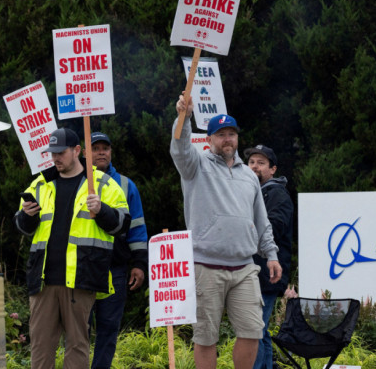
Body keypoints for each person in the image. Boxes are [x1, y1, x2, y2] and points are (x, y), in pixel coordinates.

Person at [170, 94, 282, 369]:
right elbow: (181, 149)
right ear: (209, 140)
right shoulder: (195, 166)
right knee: (206, 337)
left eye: (231, 134)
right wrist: (184, 117)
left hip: (244, 267)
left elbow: (260, 219)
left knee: (253, 331)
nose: (227, 139)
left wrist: (271, 253)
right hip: (205, 265)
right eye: (221, 134)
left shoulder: (249, 176)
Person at [13, 128, 131, 369]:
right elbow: (22, 227)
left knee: (77, 347)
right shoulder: (39, 184)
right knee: (40, 348)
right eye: (52, 153)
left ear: (77, 151)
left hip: (81, 279)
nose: (55, 158)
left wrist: (102, 211)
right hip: (43, 282)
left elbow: (123, 225)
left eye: (61, 152)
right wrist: (26, 217)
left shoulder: (103, 184)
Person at [86, 132, 148, 369]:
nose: (101, 152)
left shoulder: (125, 184)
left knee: (108, 329)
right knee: (80, 329)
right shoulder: (76, 182)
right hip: (82, 268)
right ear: (85, 153)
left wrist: (140, 264)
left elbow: (137, 226)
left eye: (105, 148)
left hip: (115, 268)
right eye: (96, 148)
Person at [244, 145, 294, 369]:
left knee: (254, 332)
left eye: (261, 163)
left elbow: (273, 228)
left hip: (268, 274)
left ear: (273, 169)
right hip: (253, 273)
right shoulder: (250, 192)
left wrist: (243, 228)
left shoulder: (276, 193)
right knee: (259, 332)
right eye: (252, 162)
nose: (255, 166)